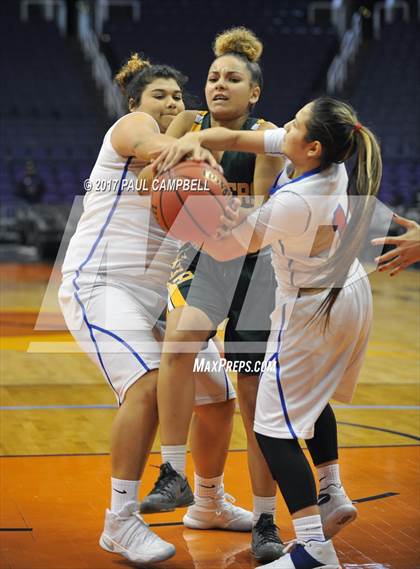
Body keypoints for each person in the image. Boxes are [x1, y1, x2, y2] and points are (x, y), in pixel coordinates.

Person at [153, 96, 382, 568]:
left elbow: (227, 248)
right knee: (311, 399)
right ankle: (332, 491)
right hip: (347, 293)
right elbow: (237, 136)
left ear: (312, 147)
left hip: (314, 304)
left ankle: (313, 550)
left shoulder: (298, 200)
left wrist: (192, 214)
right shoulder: (329, 162)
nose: (285, 127)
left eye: (295, 124)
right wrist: (193, 140)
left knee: (272, 429)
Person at [58, 53, 252, 566]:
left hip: (155, 297)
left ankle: (208, 502)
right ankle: (119, 522)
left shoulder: (187, 162)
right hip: (100, 284)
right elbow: (154, 146)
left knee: (216, 390)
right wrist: (195, 151)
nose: (170, 104)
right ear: (135, 103)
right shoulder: (134, 129)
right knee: (145, 383)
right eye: (159, 95)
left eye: (176, 97)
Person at [140, 28, 285, 562]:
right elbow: (152, 185)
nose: (219, 85)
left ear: (255, 94)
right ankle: (174, 470)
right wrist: (178, 185)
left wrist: (222, 200)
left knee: (252, 403)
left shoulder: (267, 135)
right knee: (179, 345)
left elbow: (265, 213)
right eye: (212, 78)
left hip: (253, 264)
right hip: (203, 260)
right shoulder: (187, 124)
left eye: (233, 79)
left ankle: (266, 522)